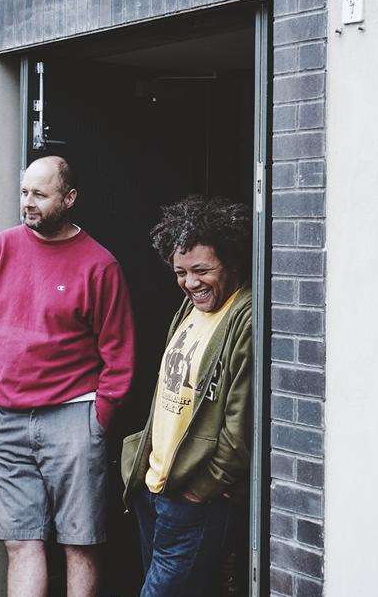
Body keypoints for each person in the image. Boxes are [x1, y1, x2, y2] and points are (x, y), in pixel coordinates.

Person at [0, 155, 135, 597]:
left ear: (69, 198)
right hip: (5, 419)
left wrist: (101, 414)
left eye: (40, 194)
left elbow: (118, 351)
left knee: (80, 542)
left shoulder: (99, 265)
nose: (28, 203)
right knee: (20, 541)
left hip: (74, 418)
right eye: (24, 192)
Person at [121, 195, 253, 597]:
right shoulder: (189, 307)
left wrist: (202, 490)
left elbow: (240, 423)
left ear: (229, 262)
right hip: (157, 487)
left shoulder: (243, 316)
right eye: (181, 272)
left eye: (202, 270)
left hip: (193, 497)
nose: (190, 282)